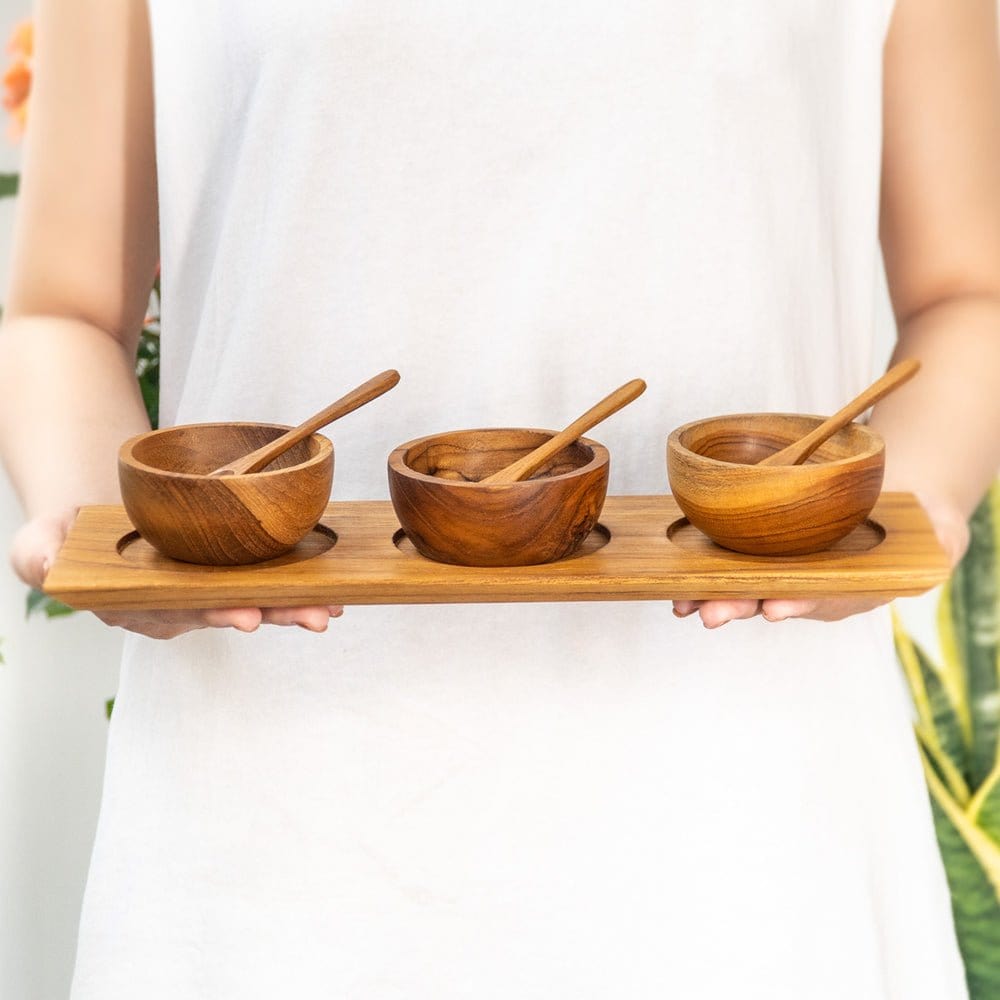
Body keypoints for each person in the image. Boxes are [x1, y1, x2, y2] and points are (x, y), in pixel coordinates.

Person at [2, 0, 1000, 996]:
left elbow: (969, 294)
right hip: (269, 841)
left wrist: (917, 500)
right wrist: (97, 519)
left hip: (753, 824)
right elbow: (62, 309)